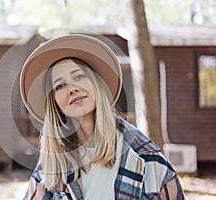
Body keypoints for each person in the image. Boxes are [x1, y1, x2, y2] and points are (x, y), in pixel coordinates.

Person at [19, 34, 185, 199]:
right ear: (54, 102)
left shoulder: (147, 159)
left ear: (97, 84)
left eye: (79, 76)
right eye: (60, 85)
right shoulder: (51, 165)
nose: (72, 88)